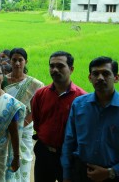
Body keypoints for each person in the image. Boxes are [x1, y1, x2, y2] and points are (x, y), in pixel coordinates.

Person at [61, 56, 119, 182]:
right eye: (95, 74)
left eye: (106, 73)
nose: (100, 78)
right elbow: (69, 141)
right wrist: (66, 175)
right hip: (81, 173)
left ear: (116, 78)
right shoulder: (79, 104)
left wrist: (111, 172)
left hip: (112, 175)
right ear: (90, 78)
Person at [31, 51, 86, 182]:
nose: (55, 69)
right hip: (44, 152)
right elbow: (37, 121)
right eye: (52, 66)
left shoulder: (82, 98)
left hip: (70, 156)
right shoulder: (40, 94)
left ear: (71, 69)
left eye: (60, 66)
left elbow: (84, 131)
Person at [4, 48, 44, 182]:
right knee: (4, 158)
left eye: (20, 60)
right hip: (4, 127)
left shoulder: (34, 84)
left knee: (24, 158)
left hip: (24, 128)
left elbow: (35, 110)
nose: (17, 63)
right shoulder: (3, 81)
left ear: (25, 61)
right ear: (10, 61)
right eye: (14, 60)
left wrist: (20, 125)